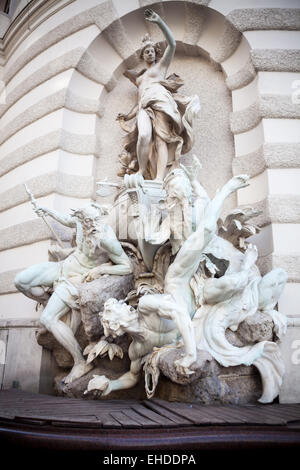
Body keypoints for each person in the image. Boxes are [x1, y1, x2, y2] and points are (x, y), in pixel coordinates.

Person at [85, 175, 250, 397]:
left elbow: (178, 312)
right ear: (117, 327)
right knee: (233, 284)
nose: (124, 307)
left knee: (207, 230)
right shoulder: (136, 349)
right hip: (199, 301)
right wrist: (110, 385)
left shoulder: (145, 306)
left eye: (117, 308)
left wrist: (191, 353)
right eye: (116, 312)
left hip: (179, 280)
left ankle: (227, 188)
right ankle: (247, 269)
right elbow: (132, 376)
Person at [15, 203, 132, 384]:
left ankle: (80, 361)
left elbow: (127, 266)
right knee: (21, 281)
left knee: (47, 319)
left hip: (75, 281)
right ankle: (48, 300)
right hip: (63, 267)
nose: (93, 225)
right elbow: (68, 219)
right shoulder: (80, 222)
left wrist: (101, 269)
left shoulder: (106, 238)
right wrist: (47, 210)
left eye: (96, 220)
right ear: (83, 220)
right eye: (88, 221)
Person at [117, 9, 200, 181]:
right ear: (142, 55)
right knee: (144, 136)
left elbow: (172, 44)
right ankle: (141, 171)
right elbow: (139, 101)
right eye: (146, 51)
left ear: (156, 53)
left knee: (162, 140)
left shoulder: (161, 67)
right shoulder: (139, 79)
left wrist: (159, 22)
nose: (150, 53)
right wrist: (128, 115)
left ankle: (159, 178)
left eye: (152, 50)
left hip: (161, 103)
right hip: (144, 107)